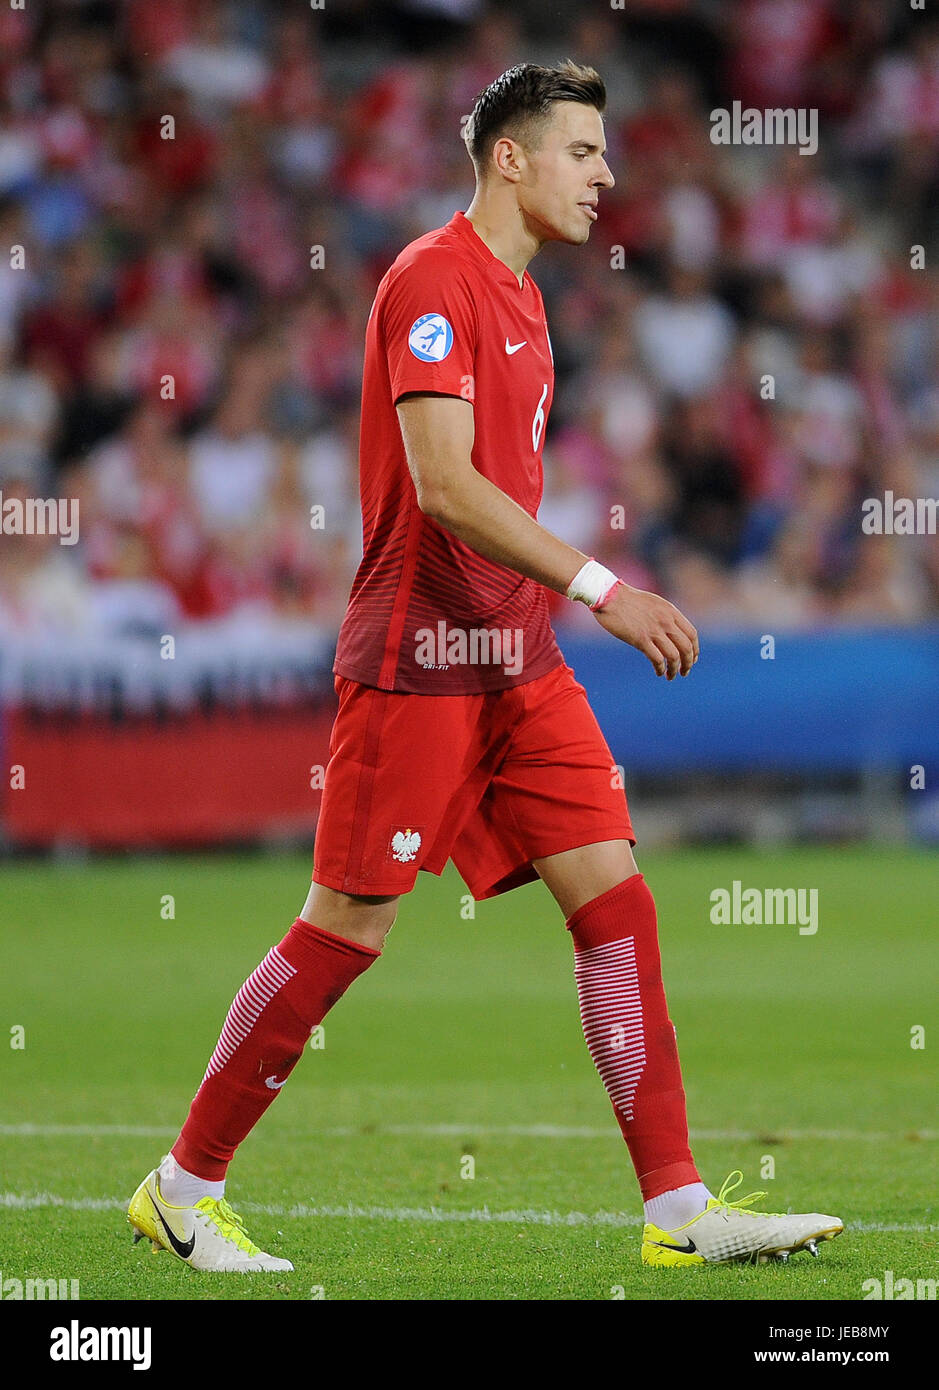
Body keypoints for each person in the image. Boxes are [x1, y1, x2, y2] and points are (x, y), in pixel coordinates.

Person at [128, 61, 842, 1273]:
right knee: (345, 927)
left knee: (617, 905)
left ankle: (679, 1210)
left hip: (521, 663)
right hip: (418, 662)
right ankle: (181, 1188)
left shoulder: (526, 297)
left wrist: (555, 612)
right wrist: (606, 587)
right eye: (584, 150)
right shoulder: (430, 279)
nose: (606, 174)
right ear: (510, 156)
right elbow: (447, 486)